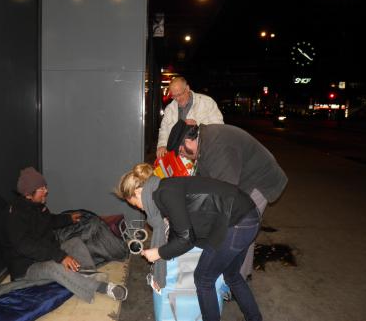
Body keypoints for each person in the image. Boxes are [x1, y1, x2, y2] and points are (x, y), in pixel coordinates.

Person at [116, 163, 263, 321]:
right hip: (248, 215)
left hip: (237, 223)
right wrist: (163, 257)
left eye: (135, 204)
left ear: (138, 192)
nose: (140, 209)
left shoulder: (165, 194)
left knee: (203, 279)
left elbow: (186, 238)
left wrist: (158, 252)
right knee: (231, 275)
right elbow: (181, 228)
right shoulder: (163, 187)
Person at [166, 120, 288, 279]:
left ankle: (237, 279)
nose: (182, 155)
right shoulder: (203, 143)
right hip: (243, 177)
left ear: (188, 140)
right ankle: (239, 273)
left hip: (260, 180)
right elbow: (201, 182)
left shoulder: (217, 147)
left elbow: (226, 194)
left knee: (239, 226)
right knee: (236, 226)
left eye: (181, 151)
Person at [0, 167, 128, 303]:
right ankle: (101, 288)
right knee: (54, 267)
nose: (46, 191)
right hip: (26, 268)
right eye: (41, 189)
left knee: (75, 242)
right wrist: (60, 256)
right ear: (28, 194)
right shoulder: (14, 216)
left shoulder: (37, 206)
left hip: (44, 254)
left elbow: (49, 220)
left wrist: (68, 218)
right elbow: (26, 246)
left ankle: (89, 275)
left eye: (45, 187)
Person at [156, 76, 224, 158]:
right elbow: (164, 129)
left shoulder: (207, 103)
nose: (177, 99)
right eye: (174, 96)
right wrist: (162, 145)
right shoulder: (170, 108)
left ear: (187, 88)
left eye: (179, 94)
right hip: (177, 157)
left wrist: (198, 127)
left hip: (201, 155)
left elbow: (219, 129)